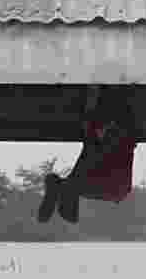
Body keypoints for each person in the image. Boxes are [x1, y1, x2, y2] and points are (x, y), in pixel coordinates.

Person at [36, 92, 139, 225]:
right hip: (112, 185)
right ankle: (64, 188)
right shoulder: (106, 134)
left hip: (112, 185)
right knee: (92, 152)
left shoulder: (103, 134)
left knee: (92, 152)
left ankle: (65, 188)